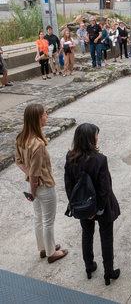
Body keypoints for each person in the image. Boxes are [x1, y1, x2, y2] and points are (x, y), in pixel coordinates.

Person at [64, 123, 120, 284]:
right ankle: (108, 271)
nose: (97, 137)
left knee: (87, 234)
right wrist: (98, 209)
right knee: (106, 237)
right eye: (96, 134)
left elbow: (68, 185)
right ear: (90, 139)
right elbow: (105, 188)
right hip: (102, 207)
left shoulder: (70, 157)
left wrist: (78, 205)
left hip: (82, 205)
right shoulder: (100, 160)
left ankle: (89, 266)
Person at [15, 103, 68, 263]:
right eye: (45, 114)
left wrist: (29, 176)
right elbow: (36, 173)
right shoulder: (37, 144)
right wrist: (33, 186)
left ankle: (44, 247)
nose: (47, 116)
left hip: (31, 183)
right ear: (38, 118)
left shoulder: (21, 138)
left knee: (38, 217)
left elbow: (18, 162)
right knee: (48, 221)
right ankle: (51, 253)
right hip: (42, 186)